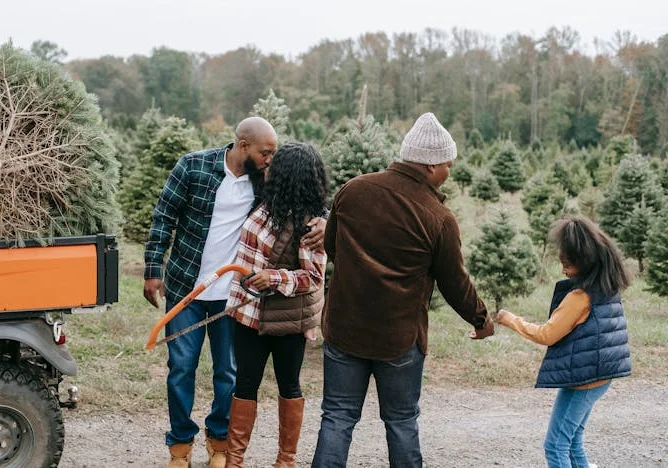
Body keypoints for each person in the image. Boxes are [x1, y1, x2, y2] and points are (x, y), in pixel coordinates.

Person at [311, 112, 495, 468]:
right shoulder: (438, 217)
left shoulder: (353, 190)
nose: (449, 172)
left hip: (344, 329)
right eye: (447, 165)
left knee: (337, 417)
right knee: (401, 422)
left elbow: (331, 249)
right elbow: (454, 282)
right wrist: (481, 319)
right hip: (399, 338)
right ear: (429, 166)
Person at [143, 117, 326, 468]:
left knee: (227, 372)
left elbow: (304, 197)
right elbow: (163, 217)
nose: (270, 159)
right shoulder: (193, 167)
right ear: (244, 146)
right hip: (187, 288)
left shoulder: (265, 182)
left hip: (235, 297)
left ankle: (220, 442)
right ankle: (180, 446)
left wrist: (325, 220)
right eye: (265, 152)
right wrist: (152, 270)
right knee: (181, 367)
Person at [495, 216, 631, 468]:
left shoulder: (580, 297)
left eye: (566, 265)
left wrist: (509, 319)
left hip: (585, 379)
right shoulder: (605, 285)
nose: (563, 270)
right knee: (573, 440)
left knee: (555, 445)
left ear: (584, 261)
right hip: (599, 376)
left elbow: (547, 334)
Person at [224, 142, 328, 468]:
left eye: (275, 164)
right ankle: (234, 461)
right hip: (247, 314)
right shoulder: (265, 205)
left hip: (287, 320)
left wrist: (274, 278)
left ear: (287, 175)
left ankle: (286, 461)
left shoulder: (312, 226)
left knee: (289, 385)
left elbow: (312, 277)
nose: (267, 166)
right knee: (244, 384)